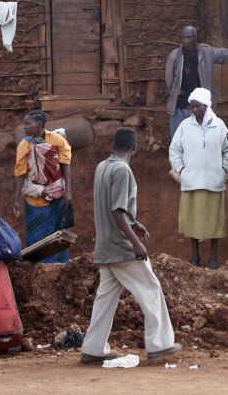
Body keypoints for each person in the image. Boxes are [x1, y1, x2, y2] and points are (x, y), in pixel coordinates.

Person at [80, 127, 182, 364]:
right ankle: (160, 344)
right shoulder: (122, 170)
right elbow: (117, 211)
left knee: (105, 298)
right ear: (135, 147)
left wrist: (134, 223)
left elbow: (112, 207)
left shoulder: (103, 167)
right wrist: (135, 242)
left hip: (105, 246)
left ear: (113, 145)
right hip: (120, 246)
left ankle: (93, 349)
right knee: (151, 288)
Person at [168, 88, 228, 269]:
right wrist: (182, 171)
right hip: (191, 182)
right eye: (192, 106)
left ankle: (213, 257)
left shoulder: (219, 125)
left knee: (214, 221)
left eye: (197, 106)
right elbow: (175, 152)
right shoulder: (184, 126)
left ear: (206, 105)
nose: (194, 109)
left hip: (214, 181)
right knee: (192, 221)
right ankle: (195, 256)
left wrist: (223, 169)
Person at [164, 25, 228, 137]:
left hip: (201, 108)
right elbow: (169, 81)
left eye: (189, 38)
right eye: (184, 38)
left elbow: (226, 54)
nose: (186, 41)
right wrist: (176, 94)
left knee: (202, 137)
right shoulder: (174, 56)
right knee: (178, 138)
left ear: (195, 38)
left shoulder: (206, 52)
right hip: (180, 107)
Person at [12, 110, 73, 263]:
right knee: (35, 237)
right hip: (34, 199)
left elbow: (66, 165)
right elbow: (20, 173)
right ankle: (38, 269)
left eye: (28, 124)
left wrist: (68, 192)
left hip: (56, 197)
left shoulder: (57, 140)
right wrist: (15, 199)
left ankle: (59, 267)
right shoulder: (24, 144)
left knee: (58, 236)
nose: (24, 127)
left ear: (39, 124)